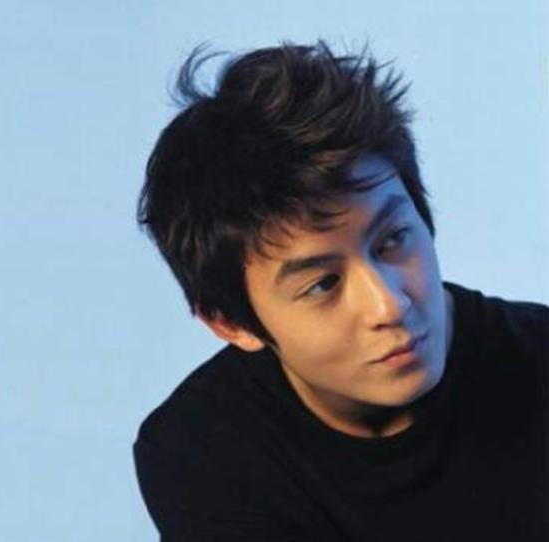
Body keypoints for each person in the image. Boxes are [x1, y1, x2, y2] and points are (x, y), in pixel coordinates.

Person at [133, 39, 548, 541]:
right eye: (323, 284)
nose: (389, 304)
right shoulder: (201, 454)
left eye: (393, 240)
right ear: (231, 324)